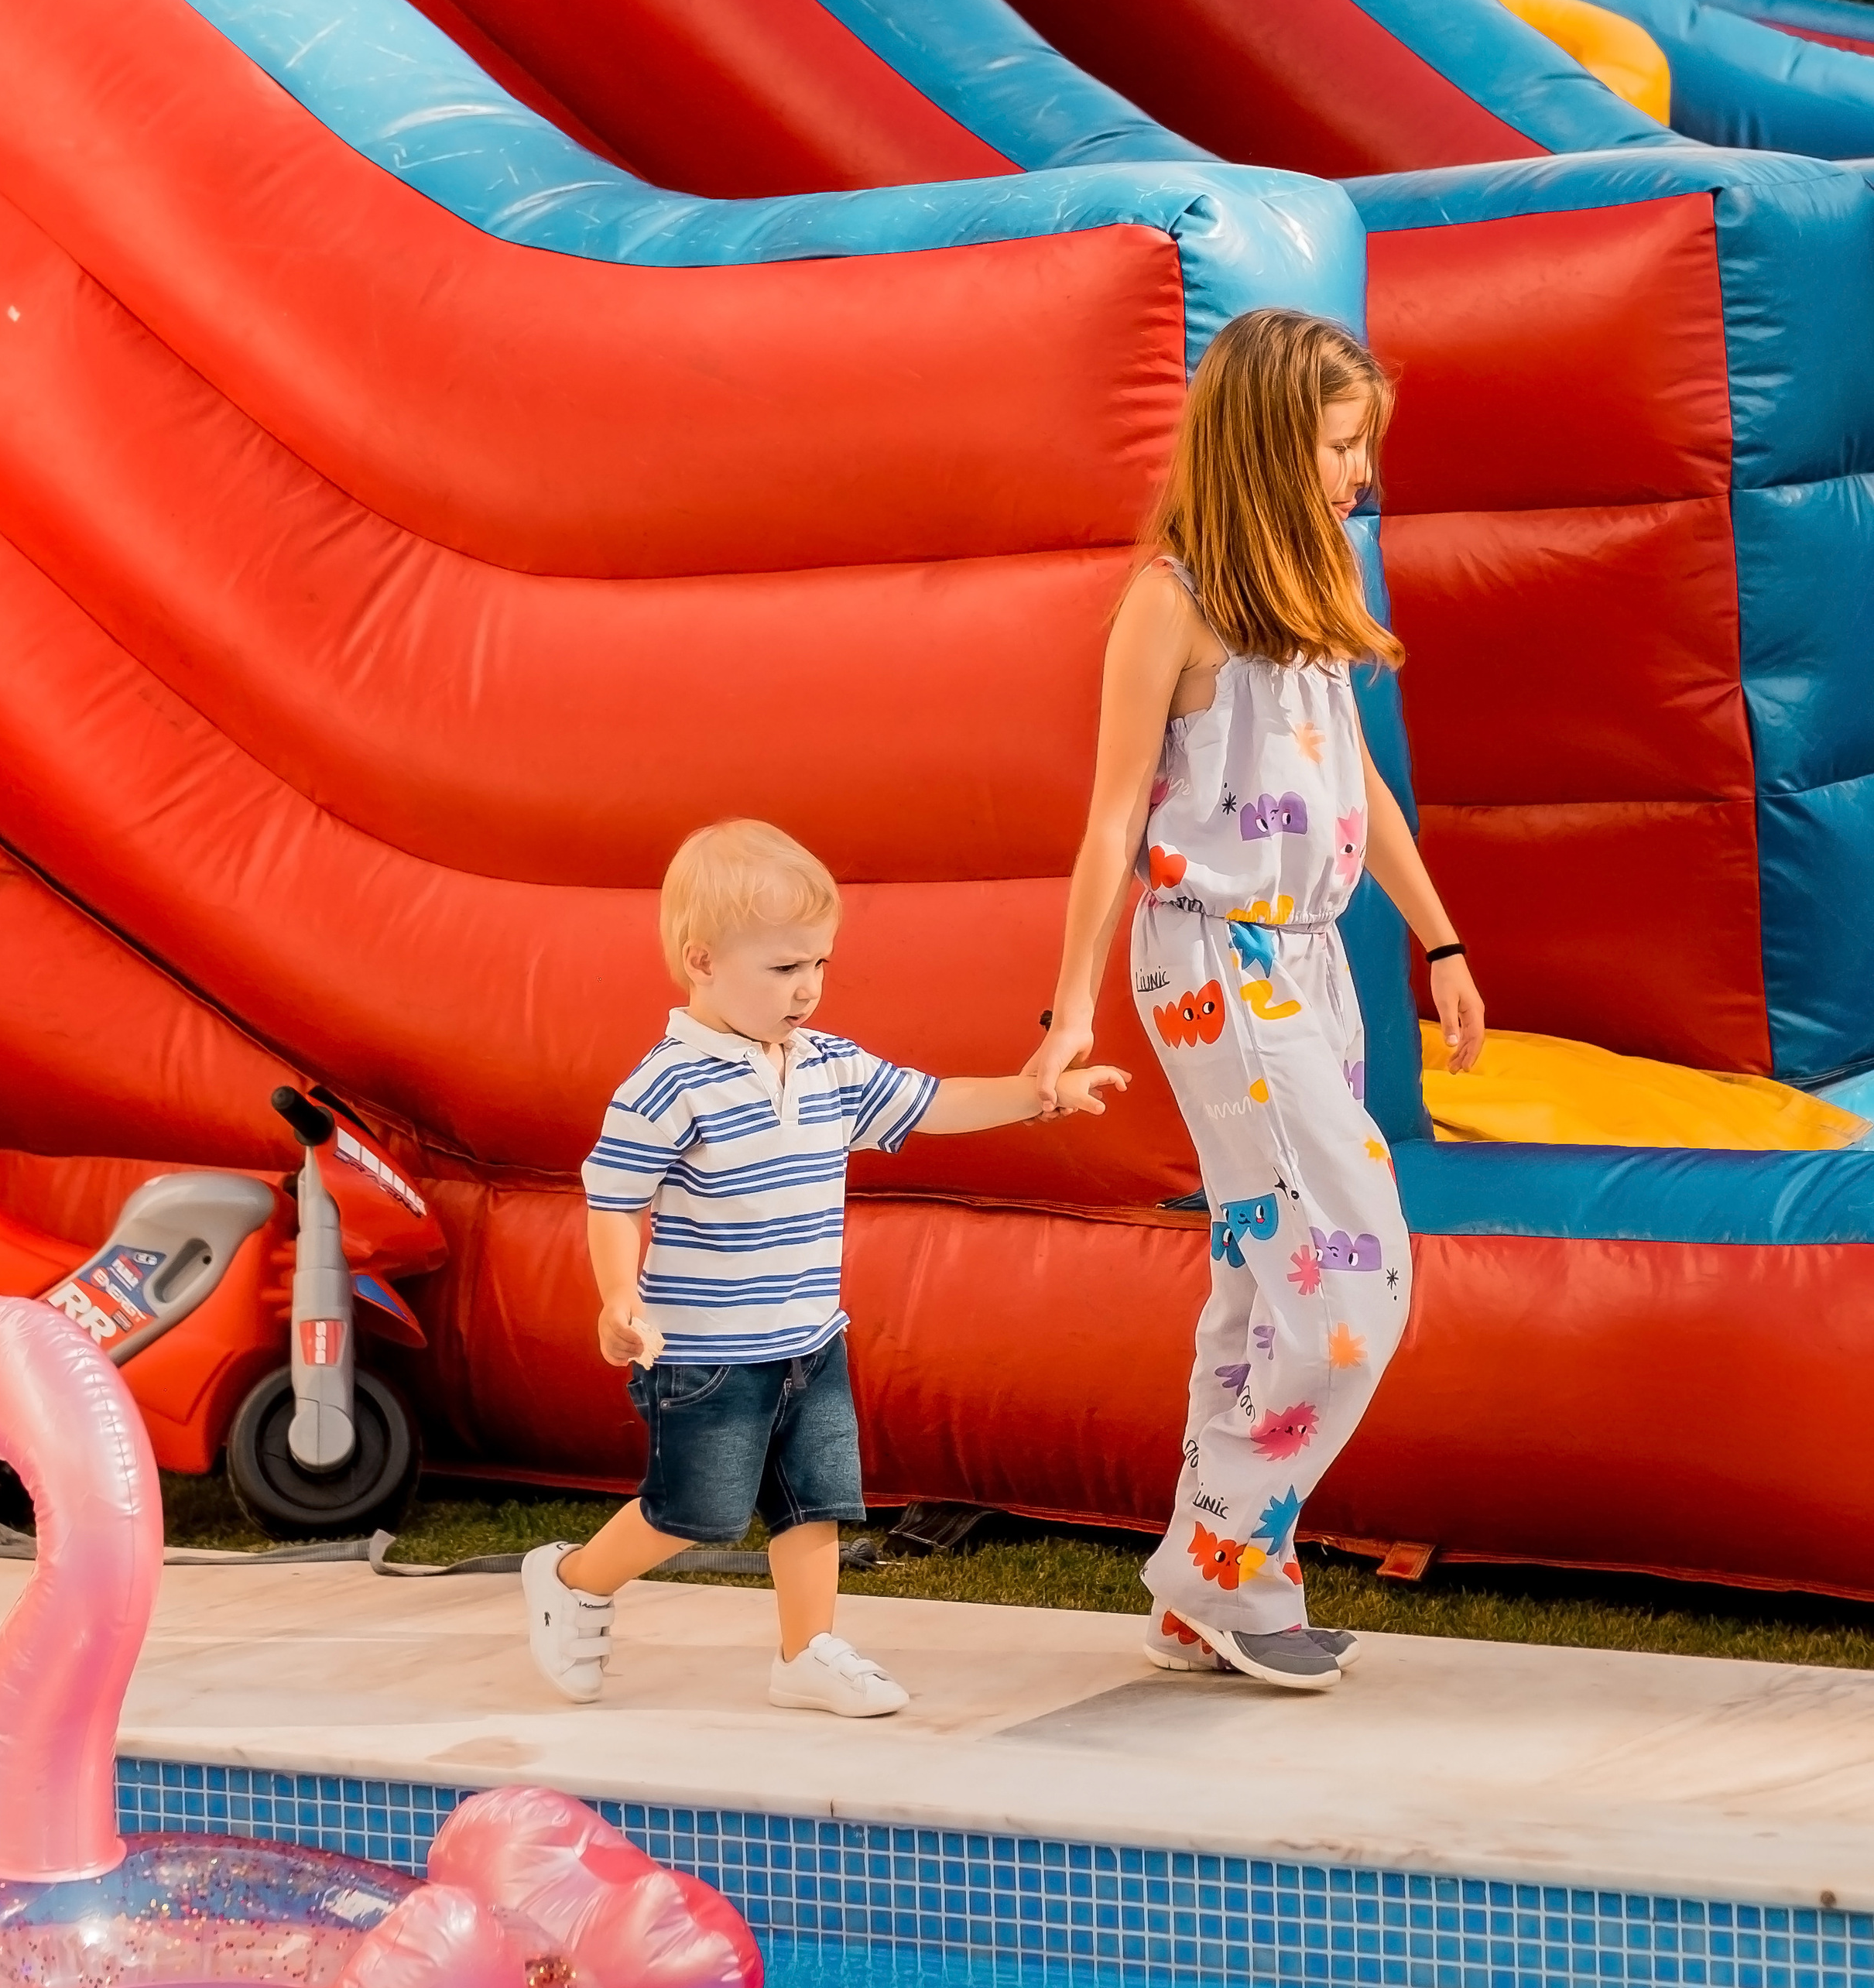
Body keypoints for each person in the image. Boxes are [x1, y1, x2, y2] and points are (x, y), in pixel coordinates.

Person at [1026, 309, 1485, 1695]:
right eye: (1341, 445)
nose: (1358, 474)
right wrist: (1068, 1013)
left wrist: (1442, 944)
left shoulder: (1311, 596)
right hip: (1218, 960)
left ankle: (1209, 1589)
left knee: (1258, 1275)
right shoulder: (1170, 602)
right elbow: (1110, 823)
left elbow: (1363, 789)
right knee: (1359, 1282)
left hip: (1313, 962)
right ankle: (1223, 1559)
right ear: (1272, 439)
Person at [524, 818, 1126, 1718]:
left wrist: (1038, 1096)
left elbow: (933, 1101)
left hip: (809, 1336)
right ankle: (573, 1581)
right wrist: (620, 1296)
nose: (807, 989)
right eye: (782, 969)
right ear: (702, 962)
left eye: (819, 965)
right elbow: (614, 1199)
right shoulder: (665, 1083)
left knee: (817, 1501)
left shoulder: (829, 1065)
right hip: (707, 1351)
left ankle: (805, 1652)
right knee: (695, 1510)